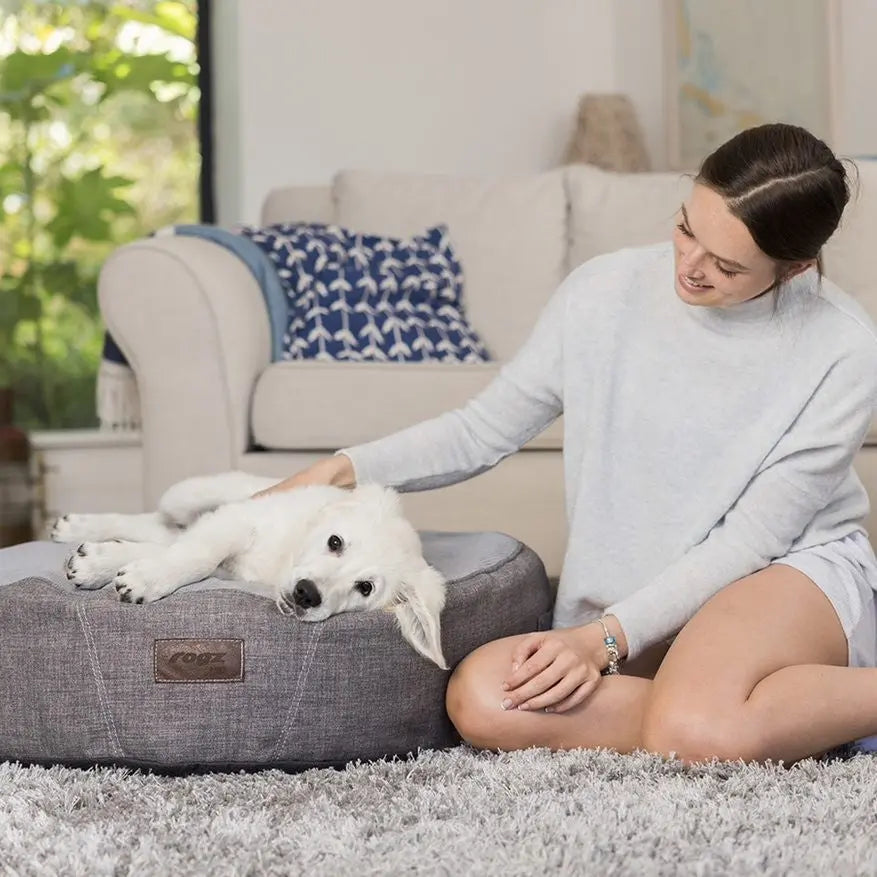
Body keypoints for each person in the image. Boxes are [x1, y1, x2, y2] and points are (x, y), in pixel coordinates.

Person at [258, 123, 877, 766]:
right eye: (687, 228)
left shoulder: (843, 349)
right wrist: (341, 469)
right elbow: (483, 428)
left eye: (726, 266)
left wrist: (602, 643)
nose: (690, 266)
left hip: (778, 573)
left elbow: (751, 540)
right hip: (638, 596)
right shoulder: (602, 291)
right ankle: (754, 713)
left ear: (796, 267)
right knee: (483, 699)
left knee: (691, 729)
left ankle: (721, 713)